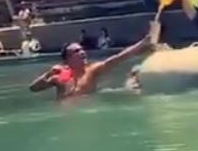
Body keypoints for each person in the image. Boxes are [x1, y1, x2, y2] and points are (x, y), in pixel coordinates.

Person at [29, 22, 160, 101]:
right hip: (64, 115)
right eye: (76, 51)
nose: (82, 52)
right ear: (67, 59)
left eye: (82, 50)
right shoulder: (60, 76)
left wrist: (142, 43)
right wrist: (48, 74)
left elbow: (118, 58)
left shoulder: (91, 71)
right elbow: (33, 89)